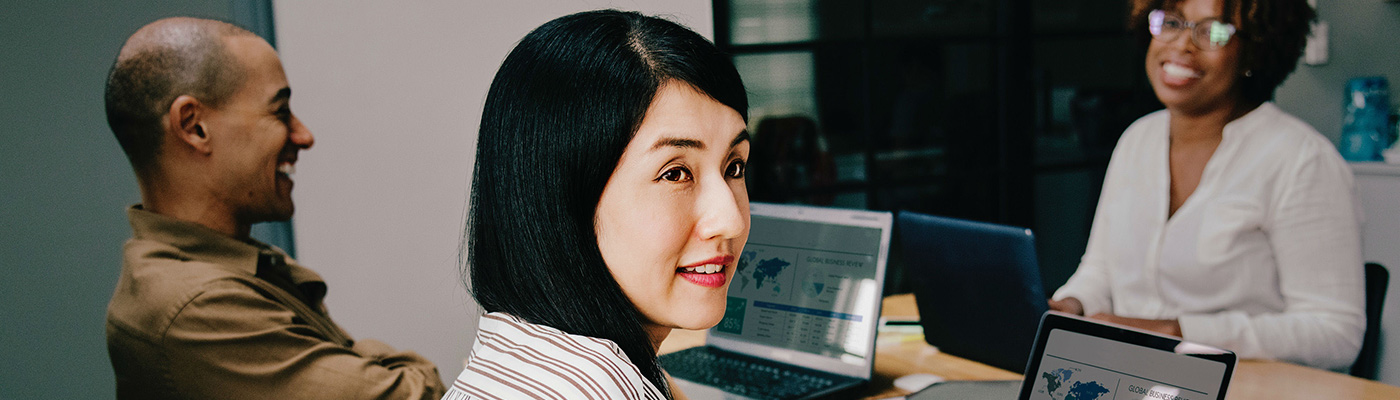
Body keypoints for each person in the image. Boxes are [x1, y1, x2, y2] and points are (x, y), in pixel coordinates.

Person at [103, 17, 444, 399]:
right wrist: (397, 367)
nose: (304, 136)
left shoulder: (237, 268)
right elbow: (418, 395)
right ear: (194, 126)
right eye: (280, 111)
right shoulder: (194, 307)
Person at [448, 10, 750, 399]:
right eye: (675, 174)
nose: (731, 221)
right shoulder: (596, 388)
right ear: (562, 197)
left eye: (734, 166)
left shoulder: (517, 351)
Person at [1049, 0, 1365, 370]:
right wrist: (1068, 306)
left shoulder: (1302, 161)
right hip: (1130, 377)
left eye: (1213, 31)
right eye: (1170, 22)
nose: (1182, 44)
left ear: (1253, 51)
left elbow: (1336, 332)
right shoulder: (1138, 139)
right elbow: (1100, 271)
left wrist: (1177, 331)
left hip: (1244, 389)